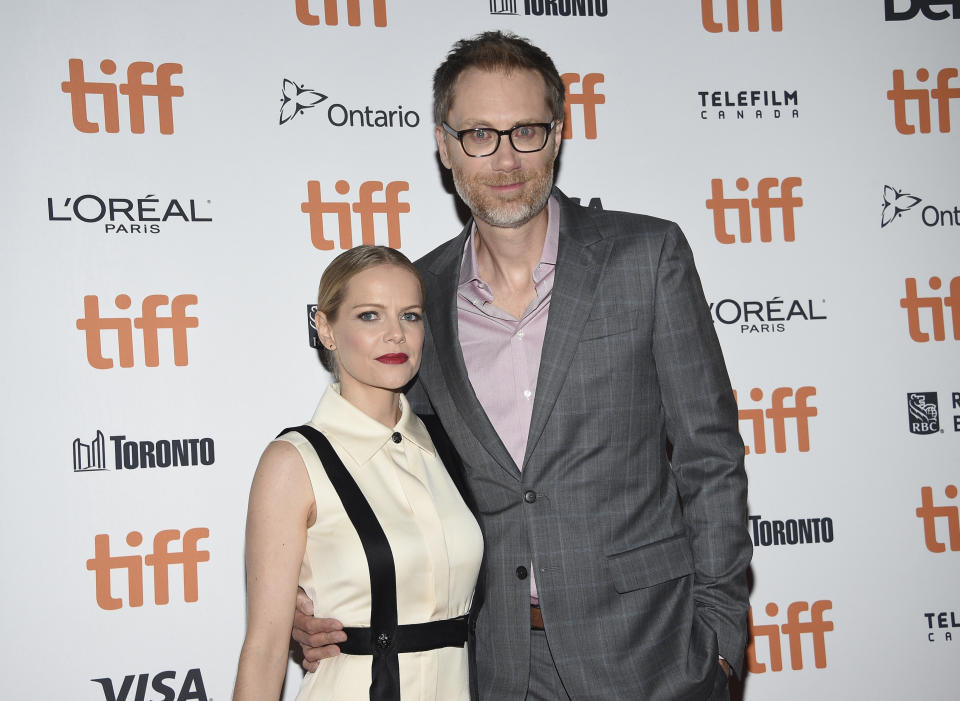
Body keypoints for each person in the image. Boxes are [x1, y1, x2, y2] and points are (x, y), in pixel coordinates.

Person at [294, 32, 752, 701]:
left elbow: (711, 456)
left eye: (526, 131)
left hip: (653, 654)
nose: (505, 158)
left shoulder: (646, 258)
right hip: (494, 663)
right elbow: (380, 467)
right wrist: (310, 591)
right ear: (444, 145)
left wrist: (719, 643)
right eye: (479, 133)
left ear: (558, 135)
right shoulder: (416, 298)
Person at [233, 245, 483, 701]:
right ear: (326, 329)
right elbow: (266, 648)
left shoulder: (446, 446)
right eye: (370, 316)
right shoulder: (293, 462)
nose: (395, 335)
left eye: (410, 316)